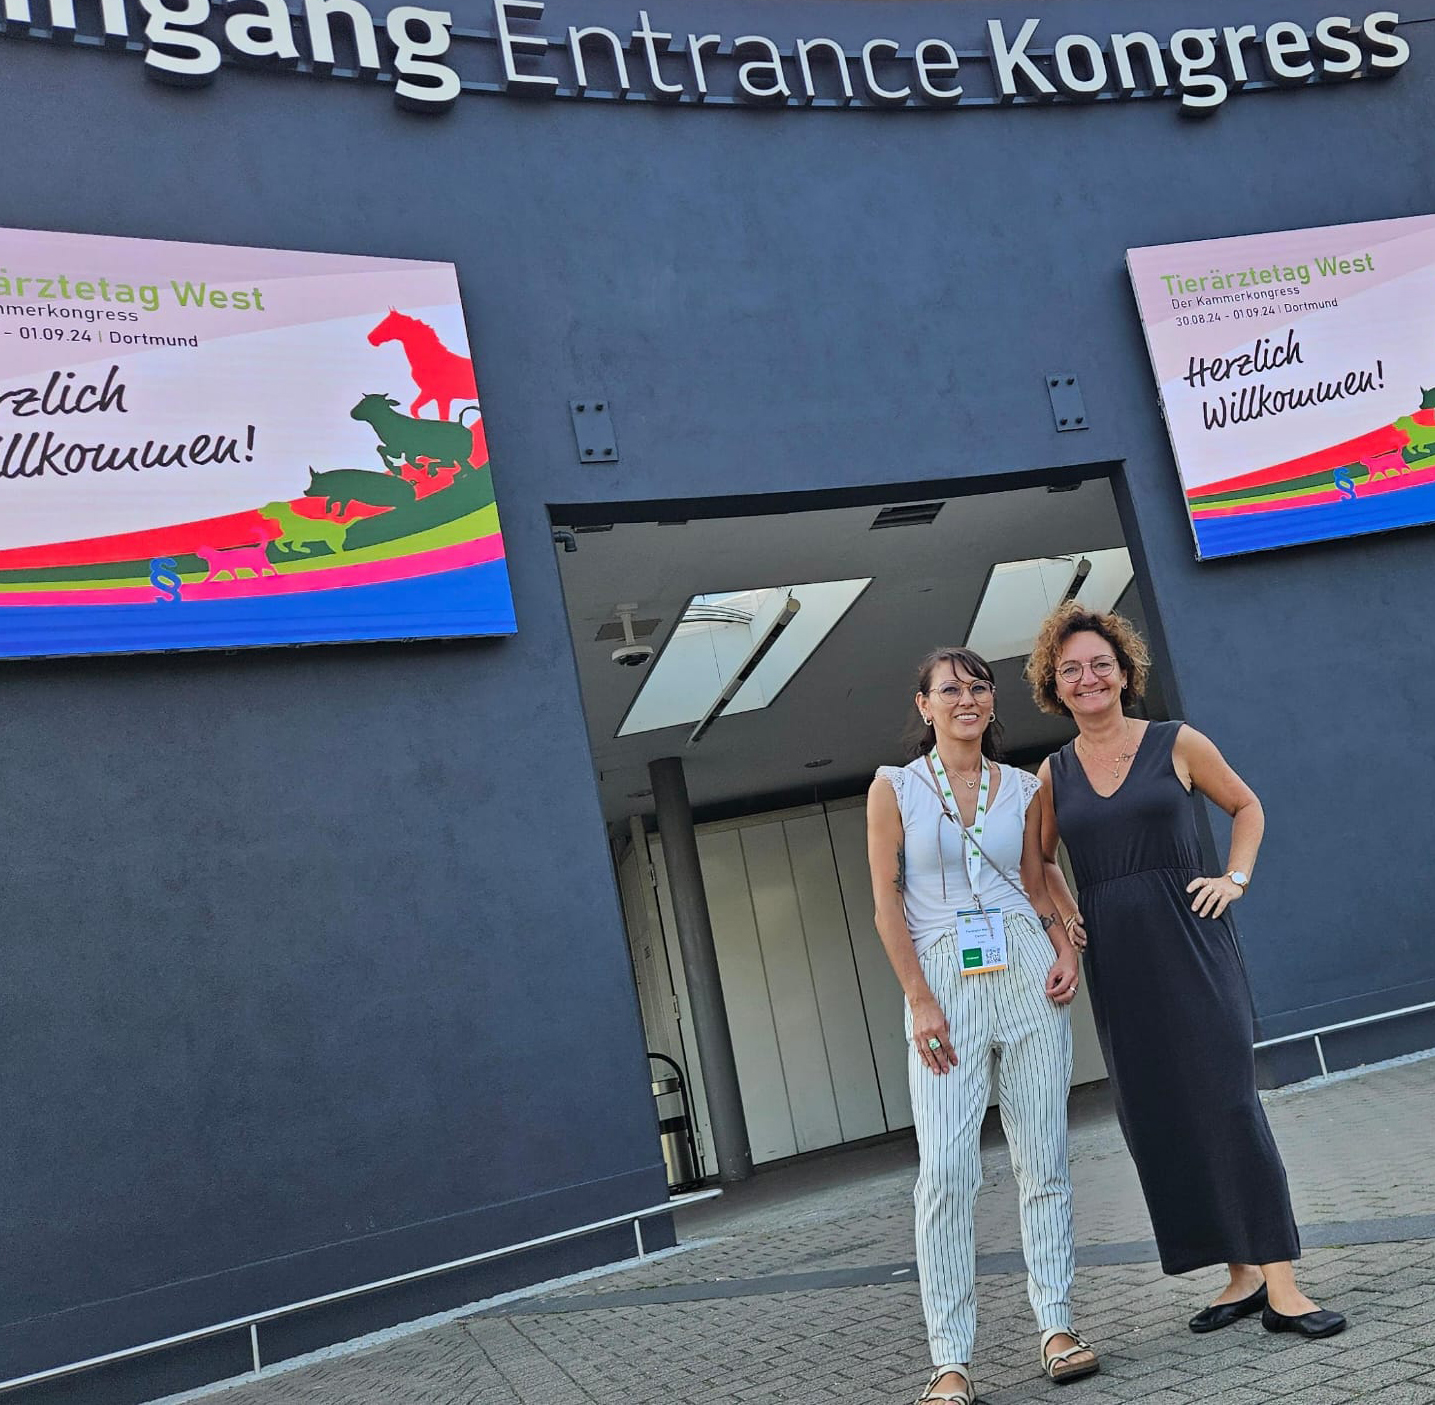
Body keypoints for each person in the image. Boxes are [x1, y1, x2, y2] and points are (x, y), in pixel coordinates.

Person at [1026, 602, 1345, 1340]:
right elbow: (1037, 860)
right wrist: (1064, 923)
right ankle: (1235, 1273)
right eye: (1070, 668)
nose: (1087, 676)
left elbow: (1246, 805)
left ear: (1123, 670)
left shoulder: (1175, 740)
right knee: (1161, 1113)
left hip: (1193, 945)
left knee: (1229, 1100)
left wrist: (1232, 879)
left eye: (1099, 663)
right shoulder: (1054, 771)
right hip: (1118, 962)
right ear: (1055, 684)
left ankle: (1282, 1282)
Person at [867, 647, 1100, 1405]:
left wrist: (1065, 945)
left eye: (977, 686)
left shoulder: (1024, 786)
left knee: (1043, 1158)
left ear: (992, 703)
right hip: (941, 983)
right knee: (944, 1173)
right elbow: (886, 902)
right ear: (924, 704)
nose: (965, 698)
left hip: (1028, 973)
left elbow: (1036, 880)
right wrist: (918, 999)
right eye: (948, 689)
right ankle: (950, 1361)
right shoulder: (894, 788)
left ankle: (1057, 1325)